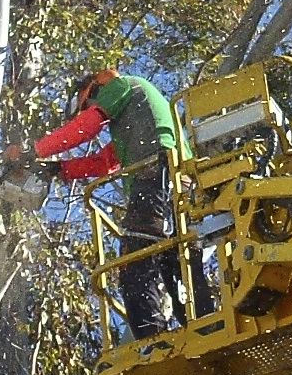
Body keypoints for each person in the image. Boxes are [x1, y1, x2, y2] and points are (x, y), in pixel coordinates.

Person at [11, 69, 192, 338]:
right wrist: (58, 169)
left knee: (134, 263)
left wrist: (33, 151)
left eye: (88, 104)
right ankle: (203, 325)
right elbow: (105, 162)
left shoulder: (122, 86)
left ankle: (152, 343)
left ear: (95, 89)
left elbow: (86, 127)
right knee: (178, 265)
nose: (91, 109)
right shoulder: (137, 115)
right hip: (181, 184)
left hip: (155, 175)